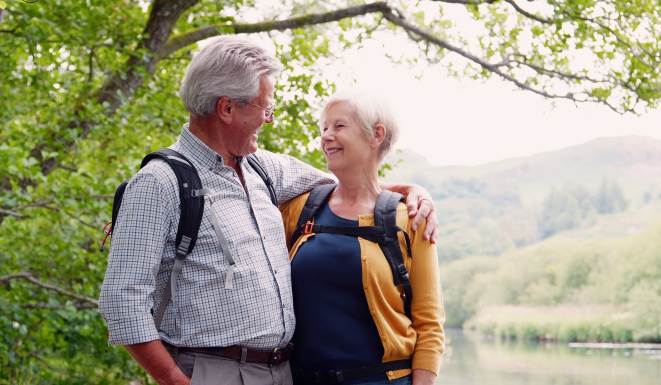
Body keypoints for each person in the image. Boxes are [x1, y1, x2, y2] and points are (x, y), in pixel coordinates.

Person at [99, 36, 438, 385]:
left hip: (282, 373)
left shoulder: (261, 168)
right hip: (211, 372)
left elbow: (351, 183)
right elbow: (121, 301)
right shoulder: (158, 183)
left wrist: (410, 191)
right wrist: (173, 379)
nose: (269, 120)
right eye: (265, 108)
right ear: (227, 108)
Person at [280, 91, 445, 385]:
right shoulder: (299, 210)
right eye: (324, 128)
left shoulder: (410, 218)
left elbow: (429, 325)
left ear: (376, 135)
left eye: (339, 126)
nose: (327, 136)